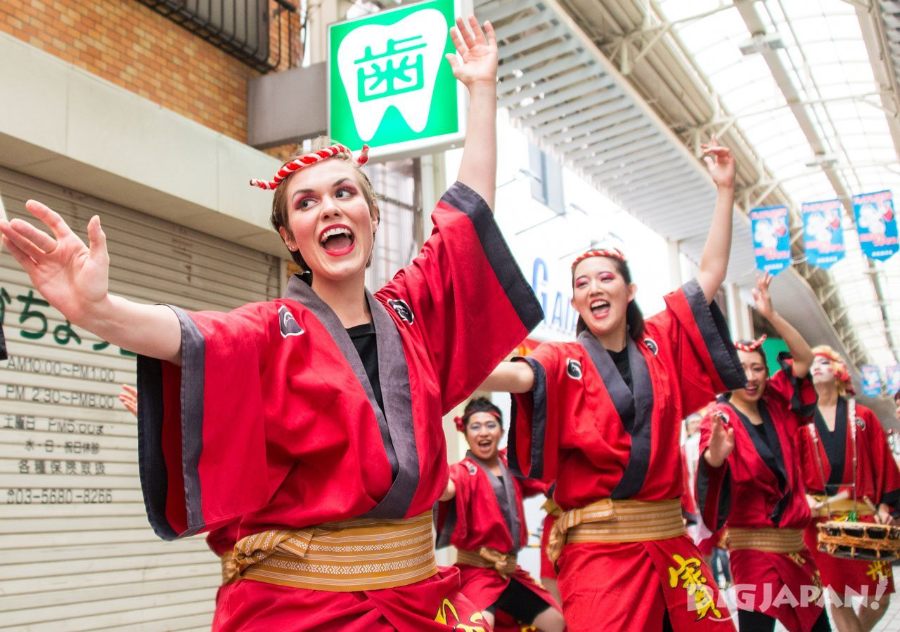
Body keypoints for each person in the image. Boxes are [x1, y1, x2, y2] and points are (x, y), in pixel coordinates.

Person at [0, 17, 544, 631]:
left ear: (370, 215)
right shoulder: (268, 329)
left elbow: (464, 225)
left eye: (345, 193)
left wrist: (480, 92)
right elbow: (187, 333)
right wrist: (96, 310)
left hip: (416, 603)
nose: (330, 207)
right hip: (299, 611)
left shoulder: (412, 314)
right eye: (307, 203)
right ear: (290, 238)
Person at [480, 138, 743, 631]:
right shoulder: (565, 358)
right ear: (576, 303)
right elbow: (516, 373)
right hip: (599, 555)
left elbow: (709, 272)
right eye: (582, 284)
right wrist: (443, 362)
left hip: (671, 544)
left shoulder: (662, 340)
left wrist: (724, 191)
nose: (593, 288)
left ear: (629, 290)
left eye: (604, 278)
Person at [697, 274, 829, 632]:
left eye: (757, 368)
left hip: (794, 548)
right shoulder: (720, 417)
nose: (751, 377)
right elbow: (710, 469)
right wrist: (715, 457)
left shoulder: (778, 402)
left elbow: (803, 359)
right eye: (741, 369)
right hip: (752, 551)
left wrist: (771, 314)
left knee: (819, 628)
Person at [436, 397, 565, 631]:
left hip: (510, 572)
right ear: (465, 432)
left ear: (501, 430)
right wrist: (432, 478)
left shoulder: (510, 465)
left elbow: (542, 477)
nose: (483, 432)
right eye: (475, 426)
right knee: (480, 626)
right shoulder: (463, 472)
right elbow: (447, 489)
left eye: (490, 425)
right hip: (477, 572)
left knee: (556, 622)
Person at [796, 345, 899, 631]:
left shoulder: (863, 417)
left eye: (824, 362)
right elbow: (792, 470)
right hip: (821, 520)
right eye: (812, 363)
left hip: (862, 514)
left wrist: (885, 506)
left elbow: (884, 464)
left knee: (880, 597)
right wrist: (802, 497)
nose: (817, 366)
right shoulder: (802, 422)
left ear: (839, 371)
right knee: (838, 596)